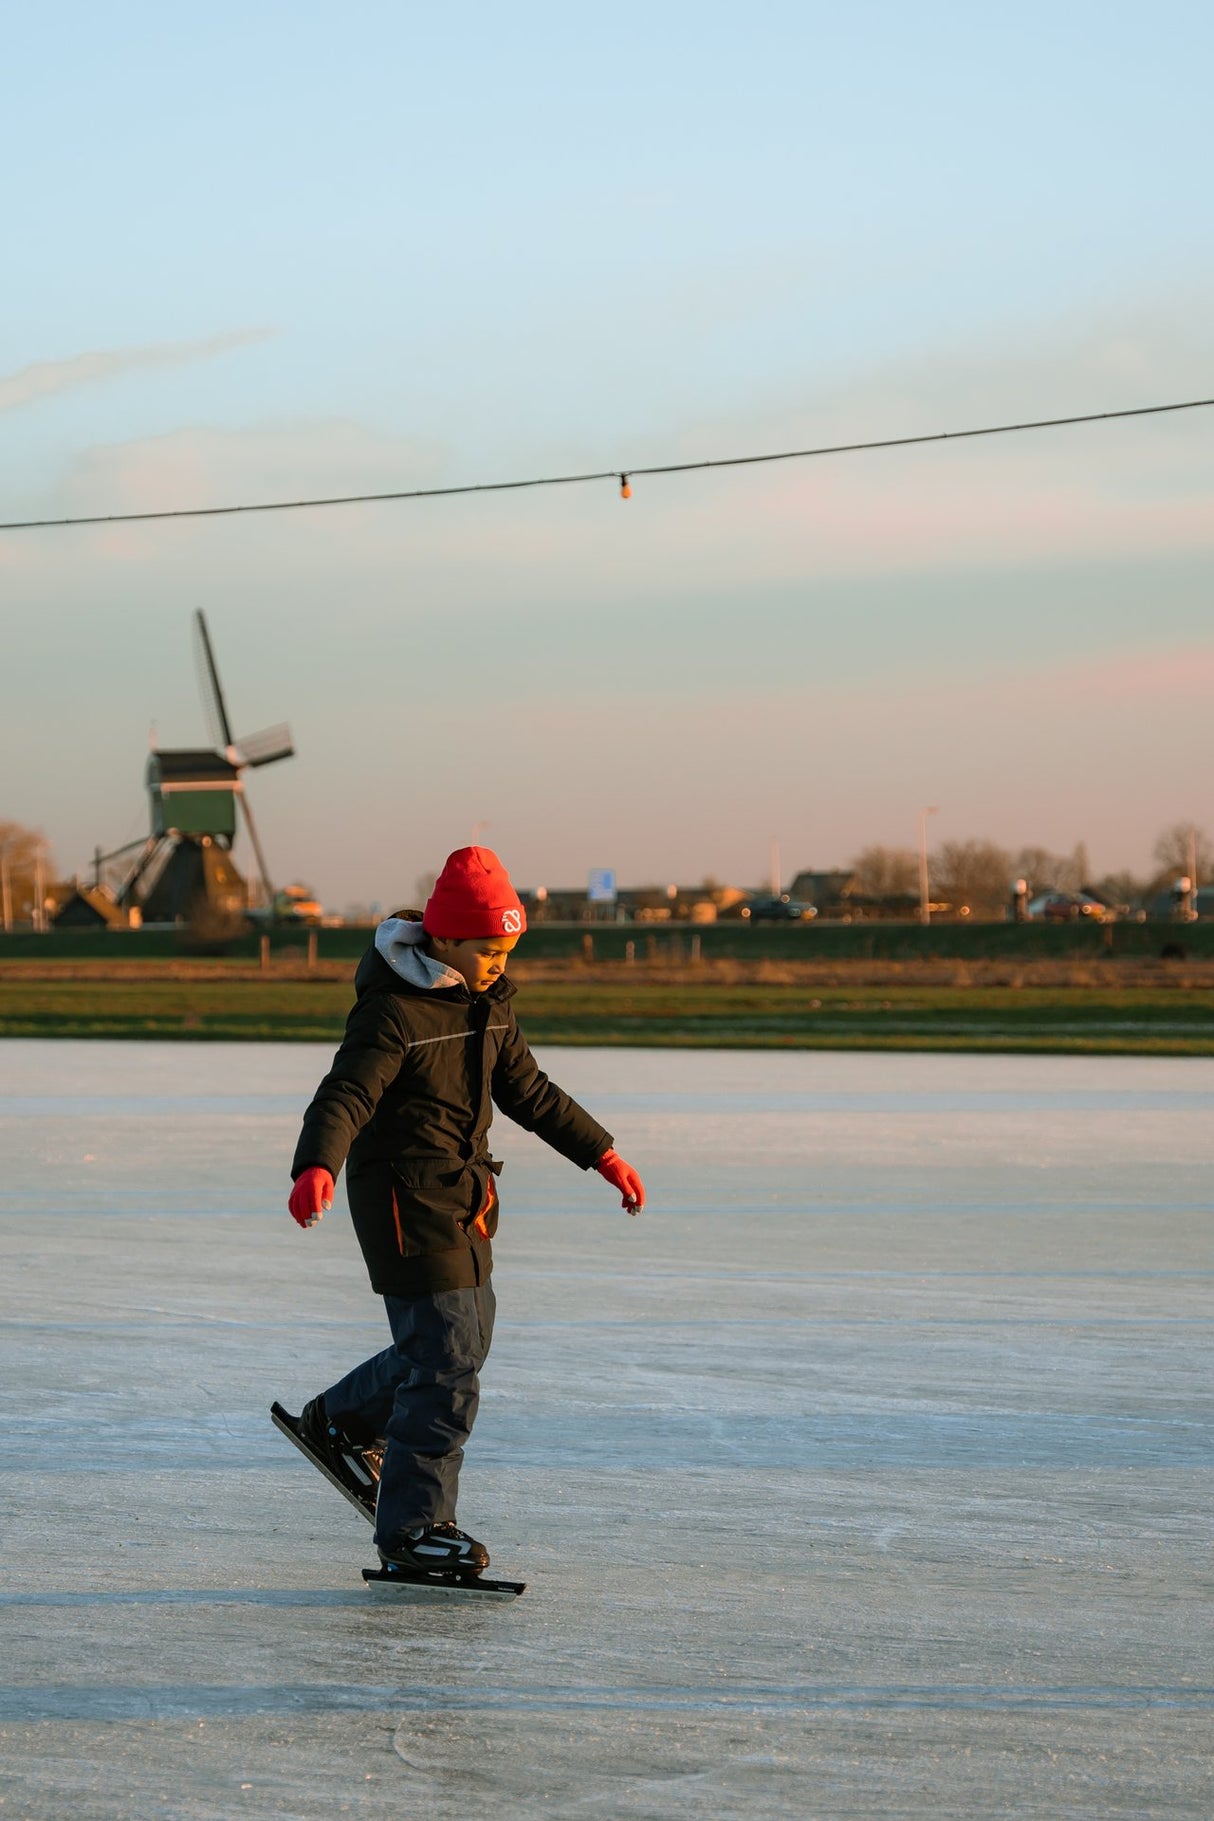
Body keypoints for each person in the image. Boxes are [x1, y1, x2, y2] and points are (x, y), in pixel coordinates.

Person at [282, 845, 645, 1576]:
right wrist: (317, 1162)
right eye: (488, 948)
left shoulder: (489, 1002)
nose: (498, 962)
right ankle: (414, 1528)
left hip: (464, 1197)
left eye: (507, 949)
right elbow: (345, 1094)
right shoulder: (393, 1011)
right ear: (444, 938)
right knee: (447, 1365)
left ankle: (343, 1421)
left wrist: (602, 1153)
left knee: (459, 1347)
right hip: (402, 1203)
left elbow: (530, 1091)